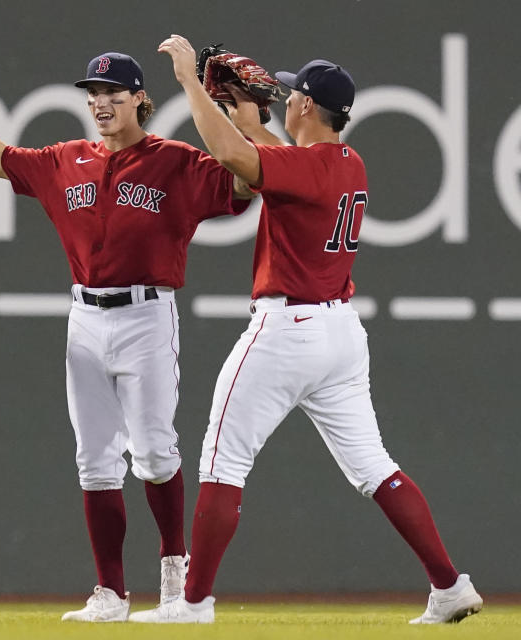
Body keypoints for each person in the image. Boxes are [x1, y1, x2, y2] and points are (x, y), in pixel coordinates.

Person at [129, 35, 484, 624]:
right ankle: (449, 585)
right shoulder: (347, 162)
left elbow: (236, 160)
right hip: (340, 336)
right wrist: (249, 122)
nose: (285, 99)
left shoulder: (306, 167)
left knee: (221, 462)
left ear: (305, 107)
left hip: (285, 331)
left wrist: (193, 85)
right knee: (376, 468)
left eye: (292, 94)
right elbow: (280, 161)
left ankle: (192, 603)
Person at [0, 47, 252, 622]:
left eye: (114, 94)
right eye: (93, 94)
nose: (101, 103)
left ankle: (175, 573)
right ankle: (111, 593)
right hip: (85, 318)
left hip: (147, 315)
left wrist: (244, 119)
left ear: (140, 99)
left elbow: (243, 186)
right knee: (94, 461)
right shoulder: (66, 160)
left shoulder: (175, 161)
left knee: (154, 451)